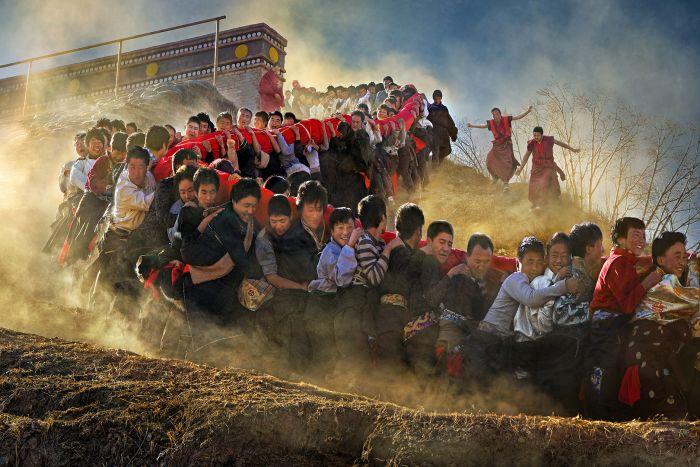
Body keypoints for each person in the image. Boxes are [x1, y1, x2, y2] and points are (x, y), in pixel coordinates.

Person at [584, 217, 663, 420]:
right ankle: (598, 419)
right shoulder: (618, 262)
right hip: (607, 326)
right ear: (620, 239)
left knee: (612, 370)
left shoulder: (626, 262)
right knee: (606, 370)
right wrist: (648, 282)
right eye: (635, 235)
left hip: (611, 325)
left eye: (643, 236)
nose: (641, 240)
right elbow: (627, 305)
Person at [468, 236, 578, 378]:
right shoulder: (516, 278)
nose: (534, 268)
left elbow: (542, 293)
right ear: (518, 262)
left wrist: (557, 280)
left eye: (539, 263)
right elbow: (531, 299)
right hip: (488, 340)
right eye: (529, 262)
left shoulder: (531, 282)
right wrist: (565, 286)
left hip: (501, 343)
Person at [621, 231, 696, 419]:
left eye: (684, 257)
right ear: (661, 260)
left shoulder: (661, 282)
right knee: (671, 420)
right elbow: (694, 301)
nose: (682, 262)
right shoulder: (666, 284)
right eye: (677, 256)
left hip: (647, 359)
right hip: (651, 361)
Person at [538, 222, 603, 413]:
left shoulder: (579, 272)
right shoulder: (575, 275)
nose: (602, 250)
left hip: (569, 345)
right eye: (600, 245)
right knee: (562, 403)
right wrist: (591, 313)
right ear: (589, 248)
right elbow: (560, 314)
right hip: (566, 344)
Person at [180, 176, 260, 326]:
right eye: (246, 205)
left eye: (254, 206)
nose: (250, 211)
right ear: (234, 202)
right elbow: (240, 258)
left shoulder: (250, 223)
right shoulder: (222, 220)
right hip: (201, 287)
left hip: (223, 286)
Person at [437, 234, 505, 379]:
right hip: (455, 337)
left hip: (474, 335)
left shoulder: (493, 278)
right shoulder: (460, 277)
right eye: (477, 261)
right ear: (467, 257)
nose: (481, 266)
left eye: (486, 261)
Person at [305, 207, 361, 376]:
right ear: (332, 230)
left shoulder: (354, 246)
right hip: (320, 307)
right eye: (340, 228)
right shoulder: (330, 251)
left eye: (350, 227)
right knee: (324, 354)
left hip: (332, 306)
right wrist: (350, 246)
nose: (345, 232)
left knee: (333, 354)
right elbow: (341, 279)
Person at [512, 232, 573, 378]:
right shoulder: (540, 281)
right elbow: (542, 327)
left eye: (564, 256)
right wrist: (556, 285)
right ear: (547, 258)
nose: (559, 260)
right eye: (554, 255)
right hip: (530, 347)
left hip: (547, 350)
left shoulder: (569, 278)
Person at [375, 203, 425, 374]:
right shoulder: (401, 252)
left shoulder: (393, 247)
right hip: (392, 319)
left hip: (389, 318)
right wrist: (425, 253)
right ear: (418, 231)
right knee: (392, 373)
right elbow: (408, 277)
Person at [467, 106, 533, 191]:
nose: (495, 116)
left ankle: (506, 184)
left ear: (500, 114)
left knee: (506, 163)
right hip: (497, 144)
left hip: (507, 144)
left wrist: (528, 111)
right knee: (489, 159)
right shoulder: (491, 123)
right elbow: (483, 126)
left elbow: (518, 117)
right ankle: (495, 177)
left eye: (497, 114)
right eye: (494, 115)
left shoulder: (506, 119)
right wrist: (472, 125)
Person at [515, 127, 579, 209]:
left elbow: (561, 144)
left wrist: (572, 149)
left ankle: (551, 203)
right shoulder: (532, 143)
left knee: (545, 182)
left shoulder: (549, 140)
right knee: (534, 185)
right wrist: (521, 167)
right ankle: (536, 204)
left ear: (542, 135)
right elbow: (526, 156)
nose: (536, 137)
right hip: (537, 167)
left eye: (538, 135)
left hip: (548, 166)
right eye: (534, 135)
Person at [427, 90, 458, 165]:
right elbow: (426, 121)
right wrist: (428, 132)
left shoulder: (444, 108)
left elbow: (449, 122)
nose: (437, 100)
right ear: (433, 98)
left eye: (439, 98)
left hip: (444, 134)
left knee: (448, 150)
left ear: (441, 98)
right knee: (436, 150)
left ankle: (436, 163)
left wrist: (453, 134)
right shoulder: (430, 108)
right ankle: (434, 168)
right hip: (434, 132)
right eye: (435, 99)